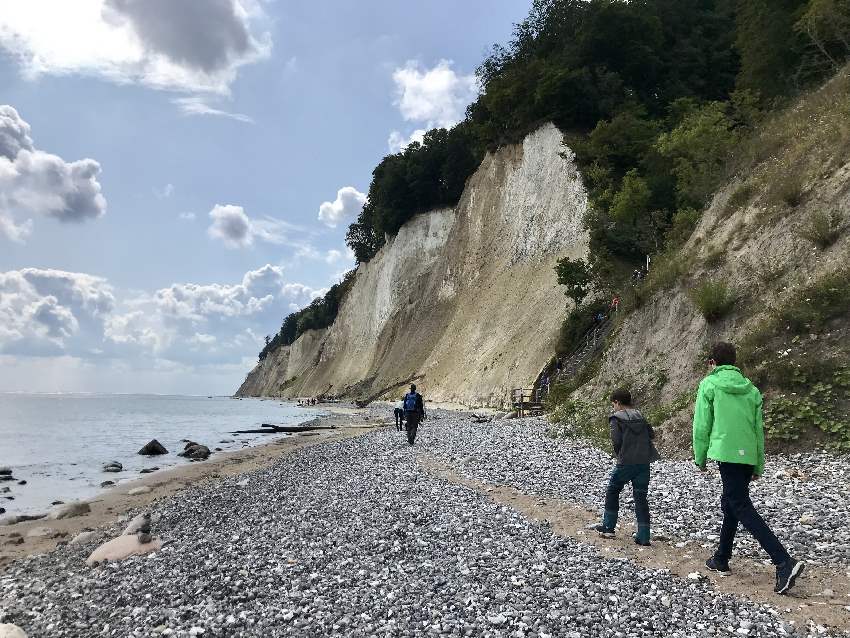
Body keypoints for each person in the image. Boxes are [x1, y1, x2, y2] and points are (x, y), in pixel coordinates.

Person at [694, 341, 804, 594]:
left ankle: (783, 561)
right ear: (734, 363)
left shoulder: (709, 384)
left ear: (712, 363)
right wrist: (758, 463)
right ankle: (721, 558)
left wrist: (700, 457)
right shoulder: (751, 390)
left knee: (740, 505)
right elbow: (758, 431)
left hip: (727, 453)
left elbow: (701, 425)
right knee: (732, 503)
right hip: (747, 455)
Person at [594, 389, 659, 545]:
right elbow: (652, 434)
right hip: (644, 463)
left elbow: (616, 441)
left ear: (617, 402)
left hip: (626, 462)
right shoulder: (640, 416)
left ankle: (608, 527)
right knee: (640, 498)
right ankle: (644, 536)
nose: (613, 407)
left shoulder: (616, 419)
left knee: (613, 490)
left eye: (613, 404)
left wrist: (620, 455)